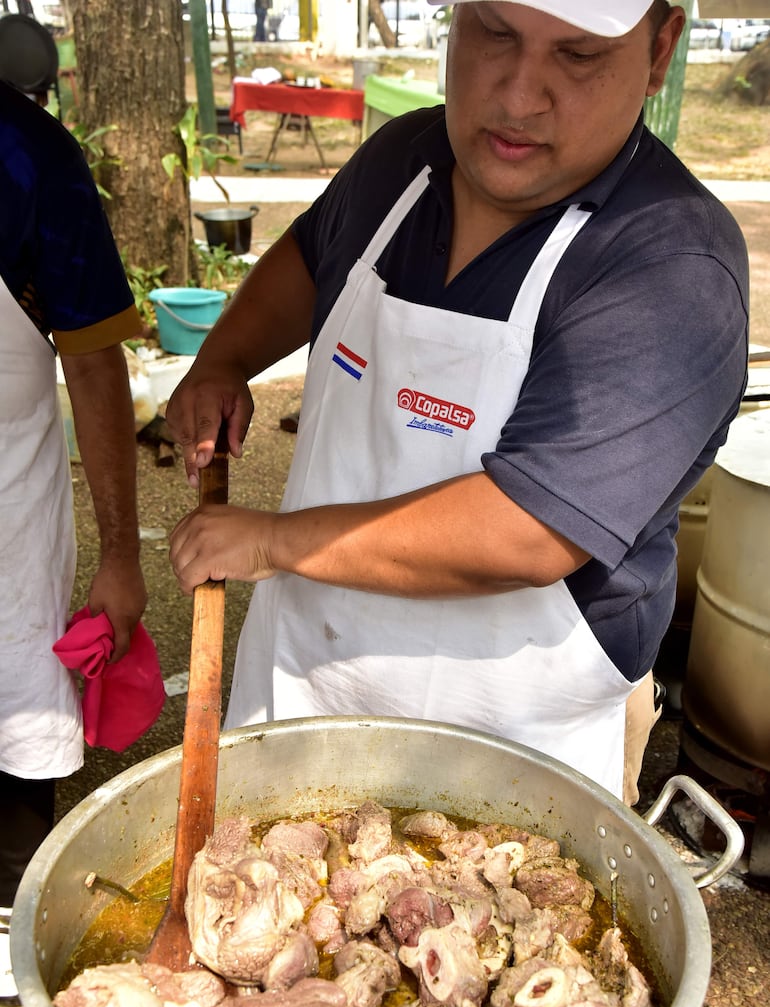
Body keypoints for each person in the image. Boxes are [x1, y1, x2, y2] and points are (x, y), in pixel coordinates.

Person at [166, 2, 749, 809]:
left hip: (510, 748)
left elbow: (529, 530)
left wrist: (269, 543)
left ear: (659, 51)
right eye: (495, 33)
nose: (516, 96)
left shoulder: (670, 261)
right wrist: (223, 359)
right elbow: (309, 255)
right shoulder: (403, 161)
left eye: (577, 56)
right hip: (303, 680)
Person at [0, 80, 147, 1007]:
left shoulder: (26, 154)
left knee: (15, 716)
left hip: (6, 502)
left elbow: (93, 360)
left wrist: (118, 556)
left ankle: (11, 922)